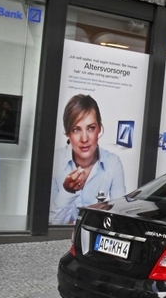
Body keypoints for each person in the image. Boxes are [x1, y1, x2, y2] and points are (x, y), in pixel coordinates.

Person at [49, 94, 126, 225]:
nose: (84, 139)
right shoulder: (54, 161)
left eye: (91, 128)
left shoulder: (113, 163)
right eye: (76, 129)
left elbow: (119, 220)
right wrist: (68, 191)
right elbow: (53, 225)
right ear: (68, 133)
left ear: (99, 129)